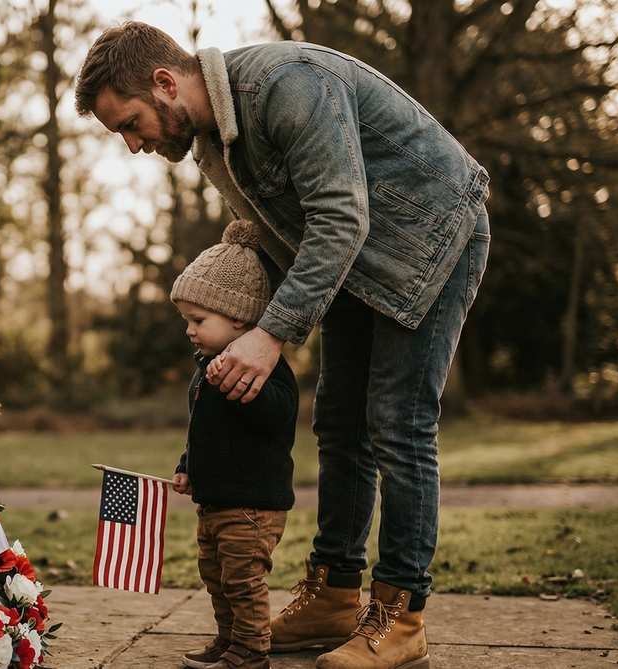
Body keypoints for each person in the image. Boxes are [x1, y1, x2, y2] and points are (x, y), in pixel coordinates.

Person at [76, 22, 491, 669]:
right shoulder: (215, 144)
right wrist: (232, 319)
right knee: (337, 423)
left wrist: (272, 335)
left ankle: (401, 616)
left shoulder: (287, 84)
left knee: (398, 423)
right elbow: (271, 237)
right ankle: (333, 592)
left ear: (164, 83)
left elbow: (339, 216)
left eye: (130, 123)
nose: (133, 145)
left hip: (431, 235)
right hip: (355, 258)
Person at [170, 219, 299, 669]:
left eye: (198, 320)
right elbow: (201, 428)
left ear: (240, 317)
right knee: (216, 577)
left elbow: (281, 417)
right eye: (187, 320)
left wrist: (243, 389)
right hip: (215, 500)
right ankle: (227, 639)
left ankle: (251, 649)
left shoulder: (264, 369)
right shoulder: (207, 365)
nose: (189, 330)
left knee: (244, 579)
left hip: (252, 504)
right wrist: (187, 464)